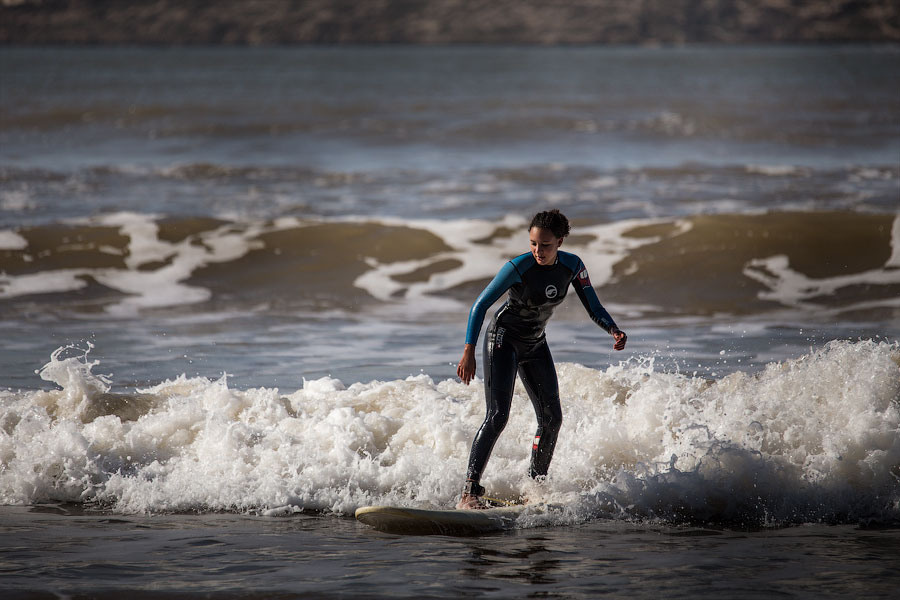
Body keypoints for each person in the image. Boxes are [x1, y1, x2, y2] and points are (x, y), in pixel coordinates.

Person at [455, 209, 627, 509]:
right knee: (498, 416)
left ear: (560, 242)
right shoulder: (518, 267)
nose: (538, 251)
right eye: (533, 243)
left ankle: (534, 489)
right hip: (503, 340)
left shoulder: (573, 266)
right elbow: (480, 305)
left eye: (545, 245)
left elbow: (593, 306)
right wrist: (468, 350)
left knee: (552, 418)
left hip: (535, 343)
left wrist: (612, 329)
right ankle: (469, 492)